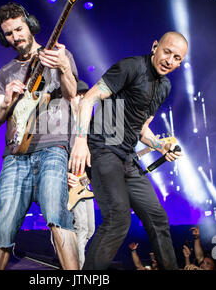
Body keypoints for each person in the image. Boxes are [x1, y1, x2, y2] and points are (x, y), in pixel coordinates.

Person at [69, 31, 188, 270]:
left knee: (158, 219)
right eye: (167, 52)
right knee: (118, 220)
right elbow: (88, 99)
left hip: (127, 158)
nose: (170, 61)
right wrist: (81, 141)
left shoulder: (164, 86)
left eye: (177, 58)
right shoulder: (131, 67)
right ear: (155, 46)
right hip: (103, 148)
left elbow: (142, 130)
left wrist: (162, 146)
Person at [0, 2, 79, 270]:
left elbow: (73, 94)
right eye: (8, 34)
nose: (15, 37)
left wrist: (62, 67)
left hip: (53, 147)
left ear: (30, 25)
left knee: (56, 216)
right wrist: (6, 102)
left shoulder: (59, 54)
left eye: (19, 29)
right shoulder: (5, 72)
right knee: (2, 224)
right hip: (15, 156)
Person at [67, 80, 95, 269]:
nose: (84, 100)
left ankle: (70, 260)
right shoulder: (64, 124)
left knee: (90, 229)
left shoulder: (89, 128)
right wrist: (63, 175)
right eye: (80, 96)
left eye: (87, 97)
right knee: (81, 227)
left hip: (84, 184)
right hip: (68, 183)